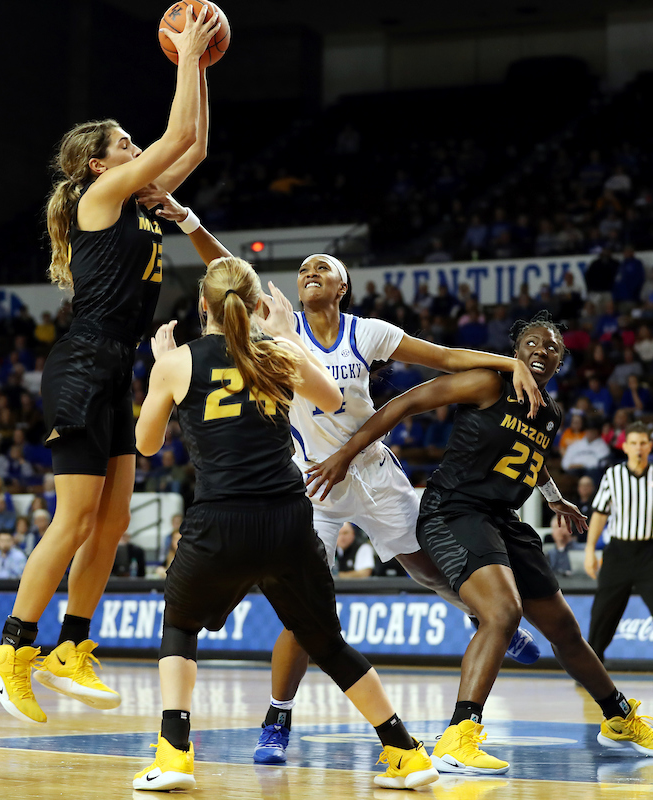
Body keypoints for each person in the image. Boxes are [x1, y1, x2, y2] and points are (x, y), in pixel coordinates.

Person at [156, 197, 545, 763]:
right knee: (302, 609)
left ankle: (485, 621)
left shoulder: (368, 333)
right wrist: (189, 221)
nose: (310, 272)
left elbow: (441, 357)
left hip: (372, 469)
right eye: (303, 269)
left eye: (323, 268)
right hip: (311, 484)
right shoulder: (277, 326)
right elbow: (226, 274)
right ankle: (277, 720)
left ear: (343, 287)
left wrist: (506, 362)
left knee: (428, 564)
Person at [0, 10, 222, 726]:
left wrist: (198, 69)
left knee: (112, 525)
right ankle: (10, 650)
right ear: (98, 164)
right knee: (77, 518)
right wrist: (186, 54)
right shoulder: (99, 196)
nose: (138, 147)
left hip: (118, 370)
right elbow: (175, 137)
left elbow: (193, 143)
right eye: (125, 143)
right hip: (83, 364)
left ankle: (70, 648)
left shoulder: (138, 197)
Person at [308, 313, 653, 771]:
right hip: (454, 510)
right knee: (503, 612)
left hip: (503, 517)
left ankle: (619, 717)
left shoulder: (551, 412)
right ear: (515, 351)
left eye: (552, 348)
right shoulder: (486, 383)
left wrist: (555, 497)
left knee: (564, 629)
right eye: (532, 343)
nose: (541, 351)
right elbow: (404, 404)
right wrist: (345, 455)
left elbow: (529, 456)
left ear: (560, 363)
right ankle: (457, 737)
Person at [128, 257, 440, 791]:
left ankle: (175, 752)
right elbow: (334, 399)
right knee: (326, 641)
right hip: (287, 518)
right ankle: (407, 752)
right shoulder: (277, 353)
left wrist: (164, 372)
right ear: (256, 306)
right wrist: (284, 336)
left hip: (219, 521)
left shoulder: (176, 363)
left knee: (179, 624)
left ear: (202, 305)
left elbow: (147, 446)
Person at [584, 424, 653, 689]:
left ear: (650, 446)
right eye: (633, 443)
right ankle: (589, 668)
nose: (639, 448)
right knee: (601, 614)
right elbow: (599, 515)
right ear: (624, 446)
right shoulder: (613, 475)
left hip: (651, 552)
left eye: (643, 443)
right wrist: (589, 551)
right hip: (618, 551)